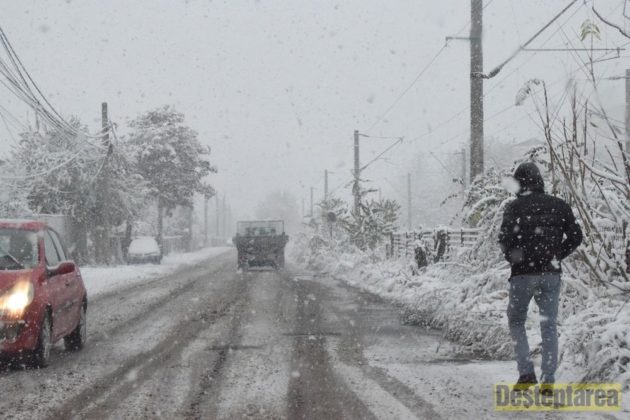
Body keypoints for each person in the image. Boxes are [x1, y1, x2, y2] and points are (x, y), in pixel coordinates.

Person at [498, 162, 583, 392]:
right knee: (548, 324)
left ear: (519, 183)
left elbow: (504, 240)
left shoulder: (514, 208)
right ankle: (548, 380)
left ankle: (526, 373)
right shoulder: (559, 205)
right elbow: (576, 236)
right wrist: (556, 256)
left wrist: (516, 259)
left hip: (522, 275)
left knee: (516, 320)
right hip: (550, 274)